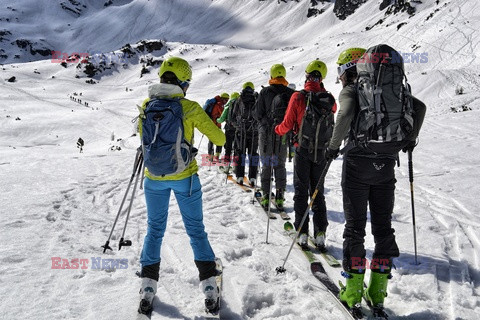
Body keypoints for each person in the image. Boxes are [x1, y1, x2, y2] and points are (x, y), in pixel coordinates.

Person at [324, 47, 426, 312]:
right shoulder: (388, 87)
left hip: (357, 164)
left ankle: (353, 290)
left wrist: (333, 147)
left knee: (355, 227)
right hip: (386, 164)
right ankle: (378, 291)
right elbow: (420, 107)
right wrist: (409, 138)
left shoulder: (352, 89)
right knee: (383, 227)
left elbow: (344, 115)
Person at [137, 56, 226, 315]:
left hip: (153, 178)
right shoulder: (189, 107)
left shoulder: (146, 104)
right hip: (185, 179)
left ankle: (147, 286)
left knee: (154, 229)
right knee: (196, 230)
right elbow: (219, 138)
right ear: (183, 82)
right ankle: (209, 286)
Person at [275, 60, 335, 249]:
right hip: (322, 153)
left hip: (302, 150)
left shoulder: (298, 97)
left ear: (307, 74)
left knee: (301, 191)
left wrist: (276, 130)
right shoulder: (329, 100)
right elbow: (332, 113)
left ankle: (301, 232)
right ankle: (320, 233)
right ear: (322, 78)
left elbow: (287, 124)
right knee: (317, 192)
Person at [254, 64, 294, 210]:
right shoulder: (291, 93)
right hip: (283, 134)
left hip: (266, 134)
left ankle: (265, 196)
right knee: (280, 165)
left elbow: (258, 114)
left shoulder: (264, 92)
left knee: (266, 164)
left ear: (271, 75)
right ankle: (280, 197)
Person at [230, 82, 258, 186]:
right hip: (254, 132)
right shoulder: (256, 99)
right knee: (253, 154)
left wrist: (237, 126)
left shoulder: (238, 99)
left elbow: (232, 118)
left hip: (241, 132)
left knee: (240, 153)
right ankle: (253, 177)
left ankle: (240, 176)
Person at [217, 91, 240, 172]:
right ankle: (235, 166)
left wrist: (217, 120)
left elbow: (221, 119)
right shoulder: (241, 105)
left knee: (228, 147)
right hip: (238, 130)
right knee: (237, 148)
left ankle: (226, 166)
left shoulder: (228, 105)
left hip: (229, 129)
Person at [206, 92, 229, 163]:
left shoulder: (216, 102)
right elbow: (223, 115)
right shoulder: (219, 104)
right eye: (226, 100)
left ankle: (210, 155)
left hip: (211, 124)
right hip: (216, 124)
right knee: (220, 139)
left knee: (211, 140)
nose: (227, 101)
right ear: (223, 99)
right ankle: (217, 155)